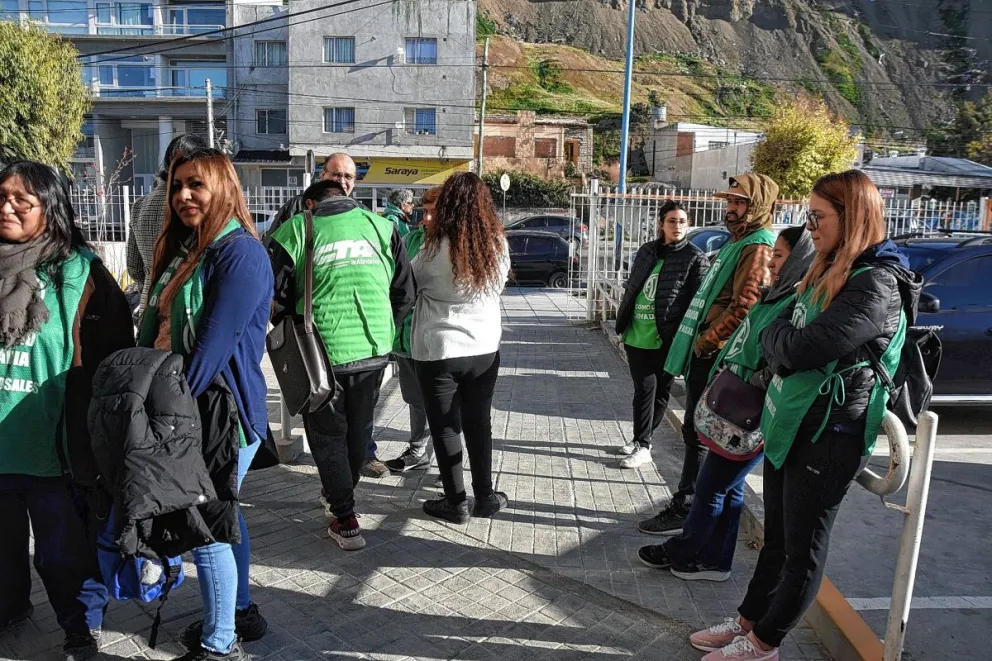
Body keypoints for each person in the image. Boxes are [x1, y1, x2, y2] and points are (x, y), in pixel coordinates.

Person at [690, 170, 921, 661]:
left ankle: (765, 643)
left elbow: (800, 346)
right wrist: (780, 344)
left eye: (818, 217)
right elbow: (773, 326)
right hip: (793, 420)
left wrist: (779, 345)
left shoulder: (875, 282)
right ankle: (747, 621)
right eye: (808, 216)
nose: (809, 226)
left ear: (852, 215)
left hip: (831, 431)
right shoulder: (830, 266)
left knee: (803, 547)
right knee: (777, 537)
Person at [137, 148, 273, 661]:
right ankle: (241, 613)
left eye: (196, 184)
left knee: (205, 528)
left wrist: (164, 421)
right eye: (176, 186)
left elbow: (212, 350)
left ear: (223, 186)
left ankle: (221, 644)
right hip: (185, 404)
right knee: (224, 520)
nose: (183, 196)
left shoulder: (239, 254)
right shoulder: (184, 249)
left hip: (217, 411)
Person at [0, 161, 133, 661]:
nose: (7, 207)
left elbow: (117, 354)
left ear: (50, 211)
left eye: (21, 200)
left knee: (63, 554)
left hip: (56, 449)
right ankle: (10, 609)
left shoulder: (83, 274)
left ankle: (80, 627)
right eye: (1, 196)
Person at [637, 226, 815, 582]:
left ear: (798, 260)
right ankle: (716, 561)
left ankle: (687, 552)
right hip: (739, 406)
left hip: (756, 410)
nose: (772, 263)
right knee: (728, 487)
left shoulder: (797, 303)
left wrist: (753, 380)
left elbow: (785, 357)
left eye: (779, 256)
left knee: (710, 486)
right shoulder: (776, 295)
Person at [268, 178, 415, 550]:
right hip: (373, 348)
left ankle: (346, 518)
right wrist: (386, 327)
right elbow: (405, 291)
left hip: (320, 353)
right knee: (358, 431)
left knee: (327, 435)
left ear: (310, 205)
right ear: (346, 199)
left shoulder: (296, 229)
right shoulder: (383, 227)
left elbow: (275, 295)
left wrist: (292, 329)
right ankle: (340, 494)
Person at [639, 174, 778, 536]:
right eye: (729, 202)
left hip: (719, 358)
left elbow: (745, 306)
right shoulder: (739, 242)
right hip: (708, 355)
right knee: (696, 432)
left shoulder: (757, 246)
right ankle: (690, 506)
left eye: (739, 203)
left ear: (759, 204)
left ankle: (687, 507)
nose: (730, 210)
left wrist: (705, 342)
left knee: (703, 435)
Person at [411, 172, 511, 524]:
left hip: (439, 350)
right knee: (478, 422)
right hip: (484, 349)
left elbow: (411, 286)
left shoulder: (432, 248)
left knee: (445, 427)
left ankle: (456, 502)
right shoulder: (497, 244)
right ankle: (485, 496)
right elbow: (497, 287)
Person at [614, 200, 709, 469]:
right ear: (661, 224)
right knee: (644, 389)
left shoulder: (694, 257)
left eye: (681, 221)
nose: (677, 226)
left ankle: (643, 442)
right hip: (637, 333)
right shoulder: (647, 251)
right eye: (671, 221)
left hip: (668, 337)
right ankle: (641, 441)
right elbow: (632, 286)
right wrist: (623, 319)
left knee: (660, 391)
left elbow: (697, 300)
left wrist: (687, 336)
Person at [384, 186, 441, 473]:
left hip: (436, 340)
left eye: (434, 212)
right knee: (414, 398)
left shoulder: (455, 246)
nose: (426, 219)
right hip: (407, 336)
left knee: (442, 403)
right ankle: (418, 449)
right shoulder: (412, 237)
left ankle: (447, 462)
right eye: (425, 211)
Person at [127, 134, 207, 312]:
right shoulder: (191, 207)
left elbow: (134, 268)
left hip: (149, 306)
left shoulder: (140, 206)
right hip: (186, 309)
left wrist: (148, 284)